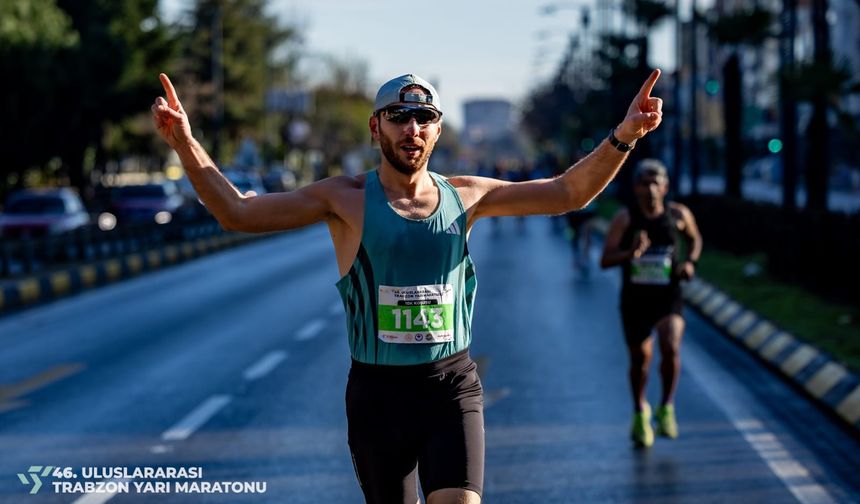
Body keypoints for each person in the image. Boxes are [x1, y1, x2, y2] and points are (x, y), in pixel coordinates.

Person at [152, 70, 664, 504]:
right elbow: (239, 212)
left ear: (437, 132)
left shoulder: (467, 195)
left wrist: (625, 137)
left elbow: (567, 193)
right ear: (376, 128)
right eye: (398, 118)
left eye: (424, 120)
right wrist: (184, 142)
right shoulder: (344, 198)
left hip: (452, 388)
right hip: (378, 396)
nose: (411, 129)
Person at [599, 159, 702, 448]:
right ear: (636, 187)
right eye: (645, 182)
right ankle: (639, 411)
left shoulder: (678, 214)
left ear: (665, 186)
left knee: (670, 345)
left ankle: (666, 406)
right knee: (640, 360)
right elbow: (605, 260)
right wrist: (630, 253)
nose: (651, 188)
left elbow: (694, 240)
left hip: (668, 296)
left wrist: (690, 263)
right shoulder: (625, 219)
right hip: (635, 300)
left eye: (656, 182)